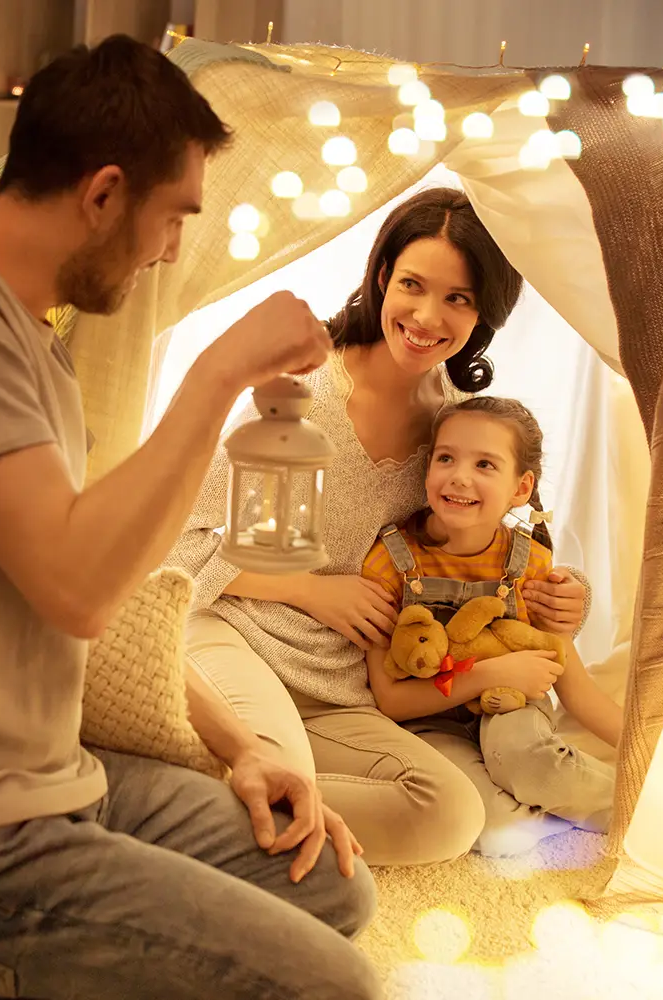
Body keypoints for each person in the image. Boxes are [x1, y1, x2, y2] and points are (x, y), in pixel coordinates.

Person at [0, 35, 383, 1000]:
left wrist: (246, 747)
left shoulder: (34, 343)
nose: (174, 250)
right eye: (174, 217)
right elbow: (76, 591)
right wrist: (217, 373)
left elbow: (106, 587)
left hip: (52, 778)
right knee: (331, 986)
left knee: (331, 888)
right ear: (102, 194)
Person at [166, 186, 592, 867]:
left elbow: (485, 547)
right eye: (413, 285)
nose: (427, 316)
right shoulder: (301, 395)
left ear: (486, 312)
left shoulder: (454, 424)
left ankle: (212, 803)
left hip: (339, 684)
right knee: (285, 778)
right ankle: (223, 803)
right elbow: (175, 546)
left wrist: (566, 598)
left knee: (453, 814)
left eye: (458, 298)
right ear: (382, 277)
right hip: (236, 638)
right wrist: (309, 589)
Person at [361, 397, 622, 857]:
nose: (460, 476)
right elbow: (391, 699)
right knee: (495, 828)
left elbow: (575, 687)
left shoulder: (531, 563)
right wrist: (490, 674)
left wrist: (652, 758)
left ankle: (639, 809)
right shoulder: (390, 559)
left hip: (513, 708)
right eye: (446, 458)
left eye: (485, 463)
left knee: (529, 764)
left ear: (521, 488)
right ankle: (555, 811)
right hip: (429, 721)